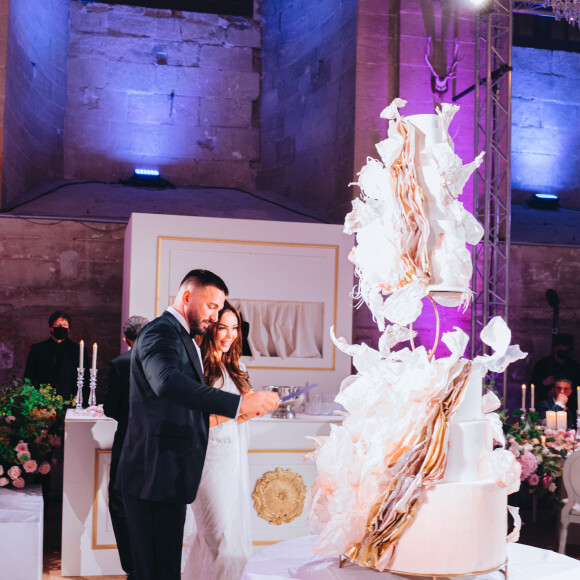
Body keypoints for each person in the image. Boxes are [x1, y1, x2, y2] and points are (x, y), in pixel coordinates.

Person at [115, 269, 279, 580]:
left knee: (163, 570)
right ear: (188, 296)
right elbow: (166, 383)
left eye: (219, 308)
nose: (214, 316)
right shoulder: (160, 332)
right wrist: (238, 404)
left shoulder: (181, 336)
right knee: (156, 572)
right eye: (211, 306)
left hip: (169, 475)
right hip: (152, 476)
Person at [183, 302, 253, 580]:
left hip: (232, 458)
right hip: (205, 458)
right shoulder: (196, 368)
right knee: (216, 535)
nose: (229, 335)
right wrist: (239, 410)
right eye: (223, 328)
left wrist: (250, 410)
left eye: (235, 328)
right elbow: (193, 419)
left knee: (227, 535)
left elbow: (239, 417)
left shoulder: (238, 366)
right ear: (210, 328)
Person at [103, 315, 149, 580]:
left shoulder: (121, 364)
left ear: (126, 340)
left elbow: (111, 407)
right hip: (159, 444)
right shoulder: (167, 362)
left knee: (120, 502)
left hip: (129, 440)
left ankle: (132, 566)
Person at [24, 310, 88, 401]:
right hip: (42, 402)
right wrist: (29, 402)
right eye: (57, 325)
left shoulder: (78, 350)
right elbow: (28, 379)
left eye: (64, 325)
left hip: (70, 402)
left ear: (69, 329)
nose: (61, 327)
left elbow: (85, 380)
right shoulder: (37, 349)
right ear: (51, 328)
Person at [530, 333, 580, 402]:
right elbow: (531, 387)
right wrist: (544, 383)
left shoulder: (575, 367)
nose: (564, 348)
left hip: (569, 406)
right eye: (561, 346)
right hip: (545, 404)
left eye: (566, 346)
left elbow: (577, 388)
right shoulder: (542, 365)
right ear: (555, 348)